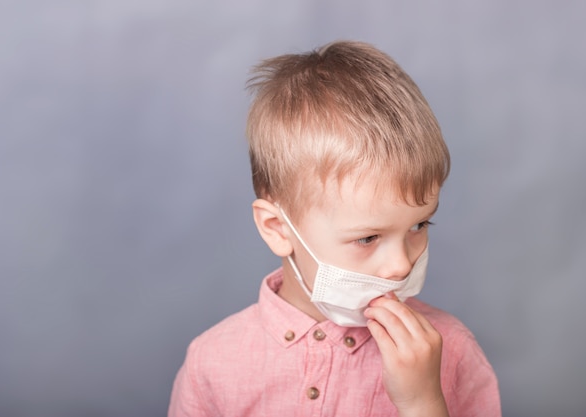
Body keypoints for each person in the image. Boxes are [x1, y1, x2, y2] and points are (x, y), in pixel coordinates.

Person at [168, 40, 501, 417]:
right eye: (368, 237)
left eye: (419, 225)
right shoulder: (213, 362)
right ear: (278, 228)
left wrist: (423, 403)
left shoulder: (450, 350)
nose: (401, 266)